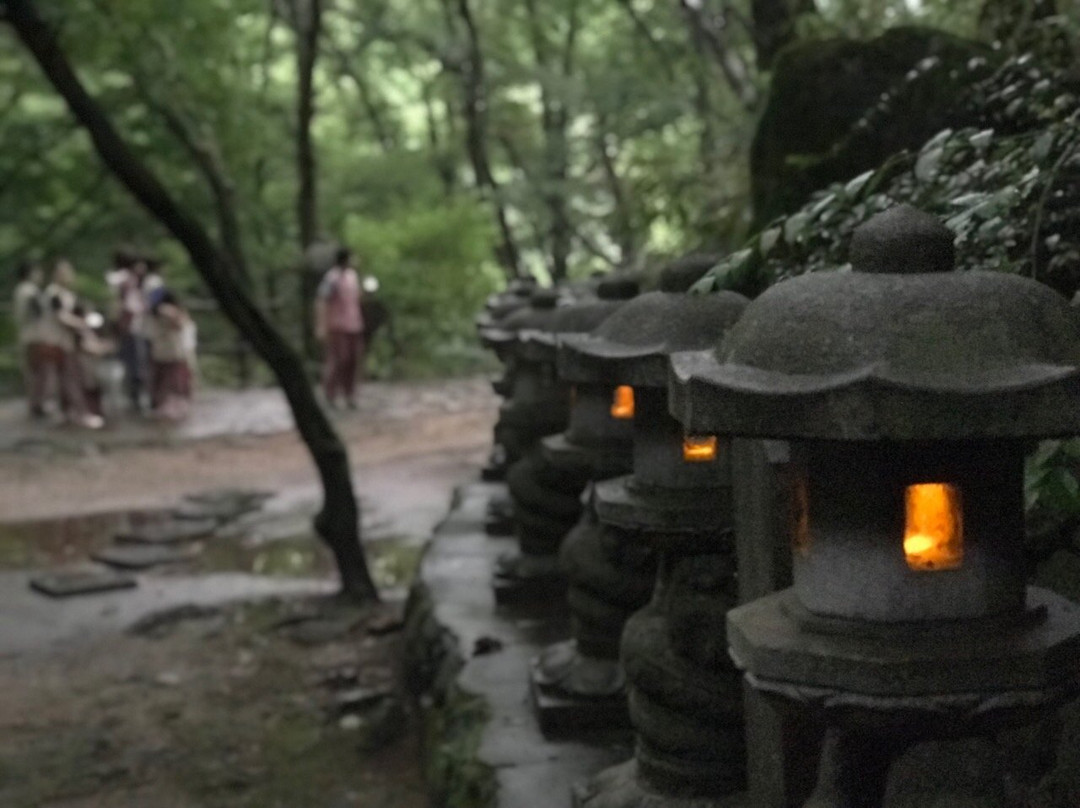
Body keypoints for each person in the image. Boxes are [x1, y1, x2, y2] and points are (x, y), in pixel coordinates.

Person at [39, 260, 103, 429]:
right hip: (59, 343)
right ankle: (80, 414)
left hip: (66, 342)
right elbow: (62, 317)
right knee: (71, 380)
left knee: (66, 380)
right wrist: (83, 324)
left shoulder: (64, 293)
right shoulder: (54, 293)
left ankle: (68, 413)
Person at [315, 247, 364, 409]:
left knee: (353, 360)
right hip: (337, 325)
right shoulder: (331, 279)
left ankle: (350, 394)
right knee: (338, 360)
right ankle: (331, 393)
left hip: (354, 324)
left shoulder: (352, 277)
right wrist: (321, 325)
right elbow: (322, 301)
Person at [146, 289, 194, 420]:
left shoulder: (159, 311)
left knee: (168, 380)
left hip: (167, 351)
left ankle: (169, 407)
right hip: (169, 351)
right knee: (171, 380)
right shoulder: (164, 310)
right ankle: (171, 407)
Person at [13, 260, 48, 418]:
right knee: (37, 373)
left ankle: (35, 405)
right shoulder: (30, 291)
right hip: (34, 337)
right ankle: (36, 406)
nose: (40, 274)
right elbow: (38, 313)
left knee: (32, 373)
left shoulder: (20, 290)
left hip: (26, 336)